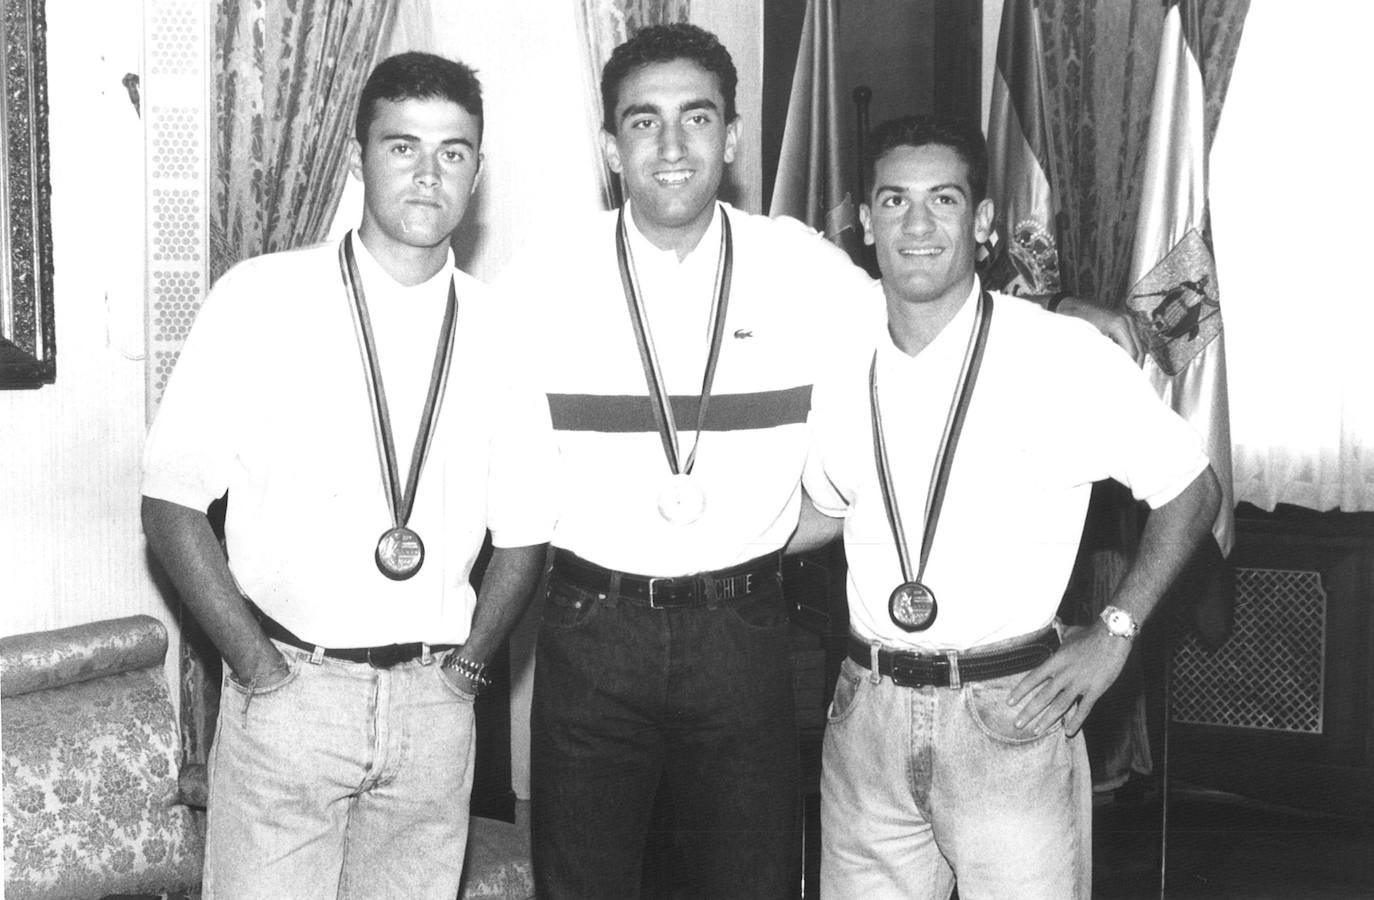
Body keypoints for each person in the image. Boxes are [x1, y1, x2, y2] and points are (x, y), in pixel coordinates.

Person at [140, 52, 556, 899]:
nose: (428, 172)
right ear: (356, 159)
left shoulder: (502, 329)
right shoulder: (260, 298)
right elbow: (172, 507)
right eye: (402, 146)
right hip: (292, 691)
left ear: (477, 172)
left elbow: (526, 536)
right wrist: (258, 668)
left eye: (454, 150)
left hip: (433, 705)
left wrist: (468, 675)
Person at [799, 114, 1222, 899]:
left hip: (1008, 715)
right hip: (866, 714)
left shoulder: (1057, 355)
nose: (918, 225)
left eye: (945, 201)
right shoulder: (837, 354)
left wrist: (1117, 631)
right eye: (893, 202)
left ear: (985, 222)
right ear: (864, 222)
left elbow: (1191, 489)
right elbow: (824, 510)